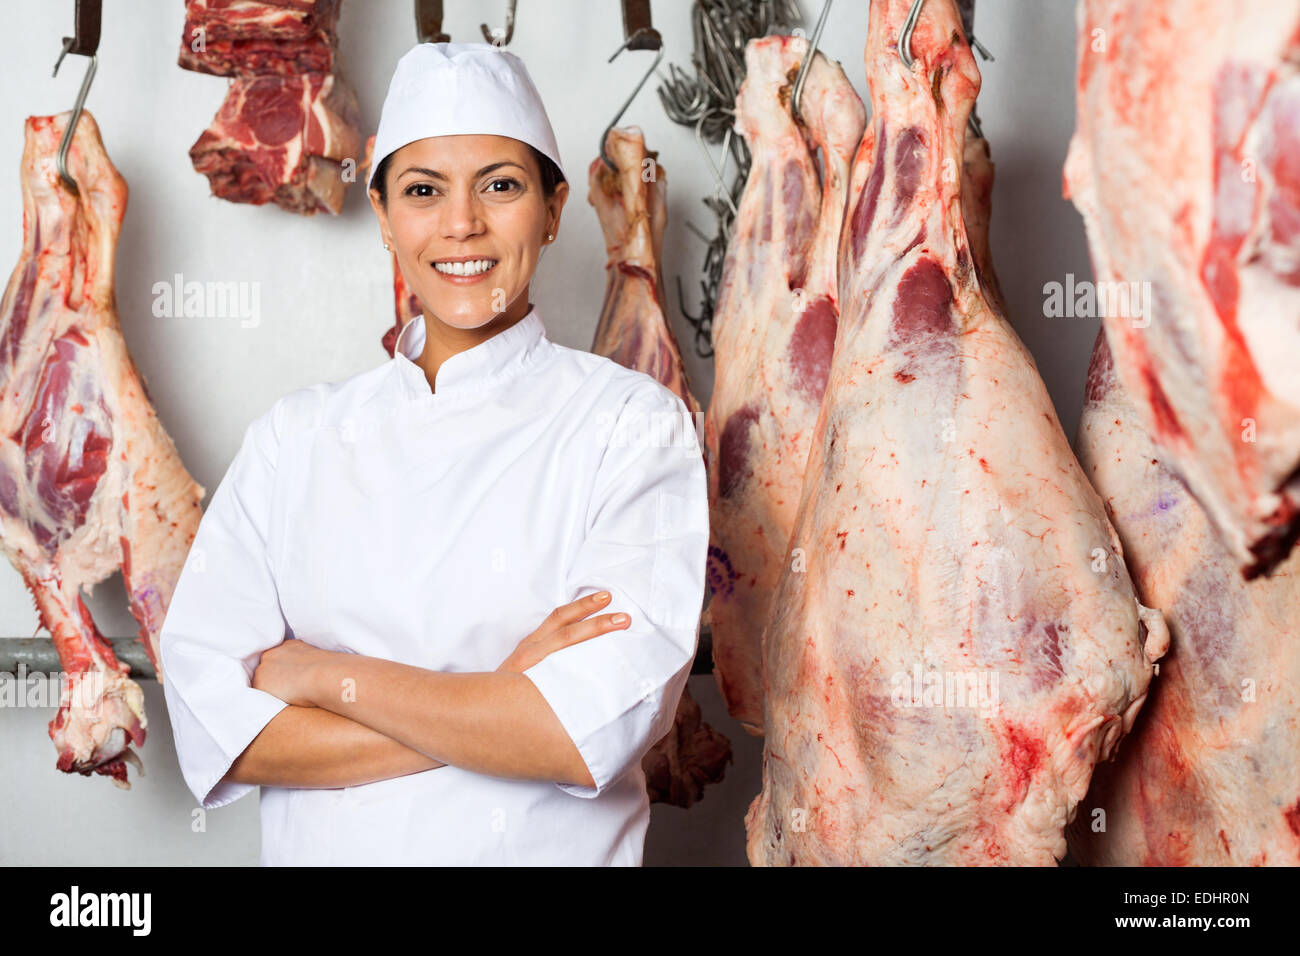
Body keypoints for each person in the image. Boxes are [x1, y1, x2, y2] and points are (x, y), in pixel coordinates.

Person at [158, 41, 709, 866]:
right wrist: (499, 696)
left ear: (554, 210)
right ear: (383, 219)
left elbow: (575, 734)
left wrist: (315, 676)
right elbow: (219, 735)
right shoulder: (294, 439)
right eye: (423, 191)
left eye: (501, 186)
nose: (462, 224)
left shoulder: (634, 426)